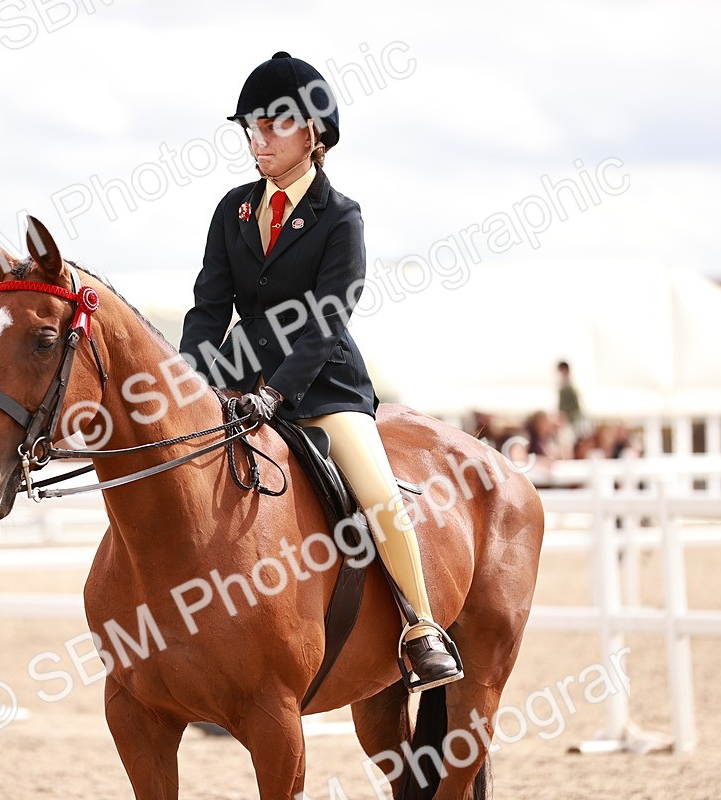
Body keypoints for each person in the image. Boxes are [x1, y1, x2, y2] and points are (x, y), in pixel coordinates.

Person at [178, 52, 462, 691]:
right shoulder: (233, 211)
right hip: (239, 384)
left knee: (378, 493)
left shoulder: (341, 217)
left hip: (321, 385)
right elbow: (208, 306)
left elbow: (328, 320)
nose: (259, 138)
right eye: (250, 126)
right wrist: (196, 380)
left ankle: (420, 627)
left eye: (274, 124)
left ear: (314, 133)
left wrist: (278, 393)